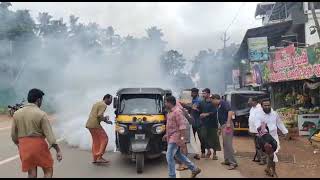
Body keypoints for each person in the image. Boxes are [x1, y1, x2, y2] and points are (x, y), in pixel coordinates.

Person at [11, 88, 62, 178]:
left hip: (24, 146)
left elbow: (13, 135)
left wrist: (18, 144)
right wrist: (58, 150)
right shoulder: (41, 114)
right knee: (48, 169)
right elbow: (50, 137)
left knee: (31, 173)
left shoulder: (16, 114)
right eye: (41, 100)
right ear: (38, 100)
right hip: (38, 145)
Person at [163, 96, 201, 178]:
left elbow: (182, 126)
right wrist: (167, 134)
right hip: (171, 136)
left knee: (169, 156)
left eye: (166, 102)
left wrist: (182, 139)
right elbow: (171, 126)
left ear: (170, 103)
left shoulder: (177, 112)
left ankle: (172, 176)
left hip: (176, 138)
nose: (165, 104)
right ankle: (194, 169)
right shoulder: (170, 112)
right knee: (178, 155)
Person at [255, 98, 288, 164]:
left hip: (274, 136)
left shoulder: (274, 114)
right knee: (271, 155)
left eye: (268, 105)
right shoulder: (258, 115)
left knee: (273, 153)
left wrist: (285, 132)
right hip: (265, 138)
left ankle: (268, 169)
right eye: (265, 105)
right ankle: (271, 170)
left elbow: (279, 123)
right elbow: (258, 126)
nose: (267, 107)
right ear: (262, 106)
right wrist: (262, 127)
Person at [211, 94, 238, 170]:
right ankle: (227, 160)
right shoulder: (219, 106)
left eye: (212, 100)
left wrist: (228, 123)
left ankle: (233, 163)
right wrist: (220, 128)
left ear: (216, 99)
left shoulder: (223, 103)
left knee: (228, 144)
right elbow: (220, 118)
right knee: (225, 144)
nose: (212, 102)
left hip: (227, 125)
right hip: (224, 125)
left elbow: (230, 111)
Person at [86, 94, 113, 164]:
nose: (111, 101)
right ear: (106, 98)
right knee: (105, 138)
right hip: (95, 124)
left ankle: (95, 158)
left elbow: (97, 114)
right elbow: (99, 115)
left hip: (89, 124)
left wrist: (105, 119)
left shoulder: (97, 103)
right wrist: (106, 120)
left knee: (96, 141)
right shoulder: (104, 105)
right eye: (111, 99)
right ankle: (100, 156)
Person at [199, 88, 221, 160]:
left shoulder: (213, 102)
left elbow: (215, 111)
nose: (203, 94)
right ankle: (208, 151)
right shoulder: (201, 102)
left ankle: (214, 153)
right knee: (204, 137)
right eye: (202, 93)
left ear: (208, 94)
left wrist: (206, 114)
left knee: (214, 138)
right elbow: (199, 110)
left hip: (212, 123)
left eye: (204, 93)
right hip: (204, 123)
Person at [248, 97, 265, 164]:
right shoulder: (252, 108)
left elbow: (263, 120)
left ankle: (263, 160)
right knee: (257, 145)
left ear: (254, 101)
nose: (248, 102)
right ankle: (259, 158)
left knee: (261, 145)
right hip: (253, 130)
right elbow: (251, 119)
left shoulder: (260, 108)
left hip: (259, 130)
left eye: (250, 101)